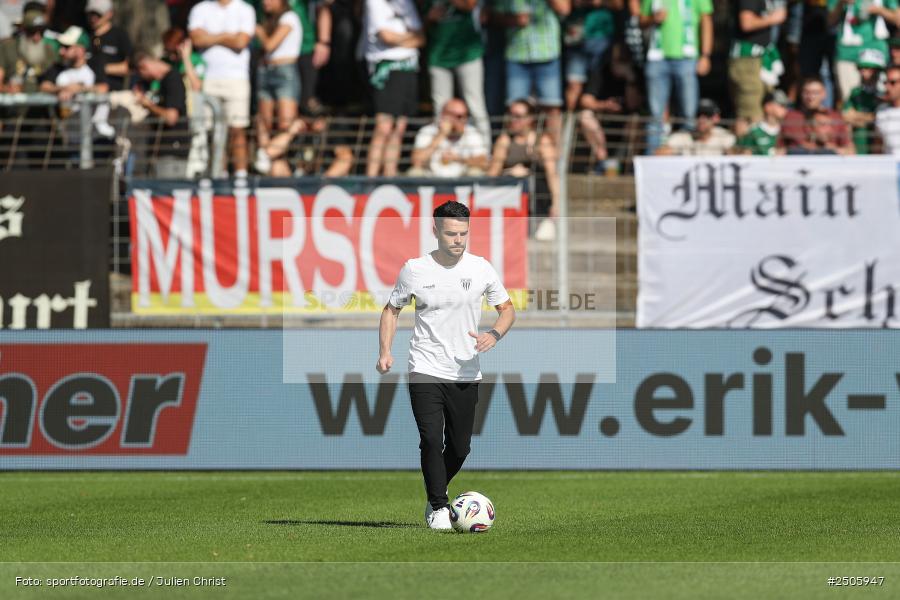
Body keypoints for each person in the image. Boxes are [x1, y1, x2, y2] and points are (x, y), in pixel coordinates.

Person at [377, 200, 516, 530]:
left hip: (466, 370)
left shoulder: (481, 268)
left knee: (459, 447)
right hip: (424, 366)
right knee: (430, 439)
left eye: (464, 234)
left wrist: (494, 335)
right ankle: (440, 508)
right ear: (435, 230)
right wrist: (385, 351)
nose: (458, 240)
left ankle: (433, 493)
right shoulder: (415, 269)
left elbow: (508, 310)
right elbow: (391, 310)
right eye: (451, 233)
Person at [188, 0, 256, 179]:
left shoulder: (245, 9)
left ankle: (241, 176)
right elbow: (196, 38)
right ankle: (220, 173)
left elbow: (241, 41)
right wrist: (227, 36)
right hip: (208, 79)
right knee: (215, 132)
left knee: (237, 129)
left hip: (237, 78)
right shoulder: (200, 8)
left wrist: (210, 37)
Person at [639, 0, 714, 154]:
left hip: (687, 58)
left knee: (688, 115)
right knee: (655, 116)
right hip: (657, 58)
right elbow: (641, 20)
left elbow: (706, 21)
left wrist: (706, 55)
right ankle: (652, 161)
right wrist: (653, 19)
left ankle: (687, 159)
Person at [363, 0, 424, 176]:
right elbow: (386, 37)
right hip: (386, 68)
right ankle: (371, 178)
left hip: (409, 66)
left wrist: (401, 39)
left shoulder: (406, 3)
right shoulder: (374, 3)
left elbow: (420, 38)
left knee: (400, 127)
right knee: (384, 126)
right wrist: (408, 38)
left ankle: (390, 175)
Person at [487, 98, 560, 240]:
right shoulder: (504, 140)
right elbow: (492, 175)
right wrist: (508, 173)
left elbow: (552, 174)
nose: (513, 119)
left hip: (537, 198)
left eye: (518, 116)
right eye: (511, 115)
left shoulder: (542, 140)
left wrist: (556, 204)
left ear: (530, 119)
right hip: (510, 195)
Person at [423, 0, 491, 149]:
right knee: (440, 110)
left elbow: (470, 5)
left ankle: (485, 154)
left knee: (475, 105)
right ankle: (438, 156)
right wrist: (429, 17)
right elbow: (420, 26)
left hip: (468, 55)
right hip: (438, 56)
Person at [500, 0, 571, 139]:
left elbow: (564, 9)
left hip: (548, 54)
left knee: (551, 108)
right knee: (515, 110)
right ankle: (514, 155)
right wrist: (512, 20)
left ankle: (555, 158)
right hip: (516, 54)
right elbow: (489, 15)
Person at [254, 0, 302, 174]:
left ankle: (265, 153)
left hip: (284, 73)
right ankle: (274, 167)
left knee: (286, 125)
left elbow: (270, 45)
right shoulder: (268, 20)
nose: (265, 2)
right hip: (265, 71)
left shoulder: (290, 18)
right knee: (266, 125)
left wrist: (258, 31)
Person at [827, 0, 900, 103]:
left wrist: (879, 10)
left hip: (876, 51)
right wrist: (841, 3)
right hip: (847, 54)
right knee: (850, 101)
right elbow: (829, 21)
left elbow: (898, 19)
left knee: (880, 99)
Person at [133, 52, 192, 178]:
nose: (144, 77)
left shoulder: (173, 79)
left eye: (141, 73)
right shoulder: (162, 82)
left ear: (145, 66)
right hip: (161, 153)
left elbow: (171, 117)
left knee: (167, 195)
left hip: (172, 153)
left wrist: (147, 105)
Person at [729, 0, 787, 122]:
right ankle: (745, 141)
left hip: (762, 58)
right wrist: (774, 18)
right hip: (748, 60)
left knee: (767, 111)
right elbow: (747, 23)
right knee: (749, 114)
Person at [563, 0, 621, 112]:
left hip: (603, 42)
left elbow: (618, 4)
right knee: (574, 86)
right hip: (577, 42)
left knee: (591, 92)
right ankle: (569, 121)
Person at [410, 98, 489, 176]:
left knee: (475, 172)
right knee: (415, 172)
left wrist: (457, 159)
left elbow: (484, 162)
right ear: (444, 115)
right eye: (459, 117)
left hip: (462, 180)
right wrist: (441, 135)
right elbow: (416, 162)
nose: (463, 120)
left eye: (465, 116)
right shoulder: (428, 131)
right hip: (431, 179)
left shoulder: (471, 132)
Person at [779, 75, 855, 153]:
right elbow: (779, 150)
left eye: (815, 93)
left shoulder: (835, 117)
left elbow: (850, 151)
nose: (811, 97)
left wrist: (831, 149)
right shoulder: (790, 117)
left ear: (824, 94)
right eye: (806, 92)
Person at [0, 4, 56, 94]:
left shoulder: (49, 50)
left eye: (41, 31)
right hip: (13, 105)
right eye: (32, 31)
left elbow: (54, 81)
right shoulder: (7, 47)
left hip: (41, 106)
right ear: (23, 29)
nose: (36, 37)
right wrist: (7, 89)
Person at [842, 48, 886, 154]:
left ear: (877, 70)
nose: (862, 72)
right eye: (860, 68)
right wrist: (871, 118)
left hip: (880, 147)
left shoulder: (886, 92)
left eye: (867, 68)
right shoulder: (855, 92)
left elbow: (883, 119)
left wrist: (858, 117)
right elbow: (846, 116)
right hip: (859, 144)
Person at [656, 98, 736, 155]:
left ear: (716, 118)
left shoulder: (724, 136)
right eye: (698, 114)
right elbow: (660, 154)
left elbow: (737, 156)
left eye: (707, 115)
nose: (701, 119)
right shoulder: (683, 136)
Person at [86, 0, 132, 91]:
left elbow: (130, 67)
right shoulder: (85, 36)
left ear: (110, 14)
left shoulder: (119, 35)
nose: (93, 18)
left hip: (112, 93)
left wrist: (101, 69)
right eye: (91, 13)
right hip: (87, 91)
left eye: (98, 14)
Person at [736, 89, 790, 155]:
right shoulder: (754, 131)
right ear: (768, 107)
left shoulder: (787, 130)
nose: (785, 108)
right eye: (781, 105)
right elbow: (745, 154)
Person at [874, 63, 900, 153]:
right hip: (890, 166)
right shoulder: (881, 111)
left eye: (893, 82)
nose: (887, 87)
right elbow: (877, 147)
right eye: (886, 82)